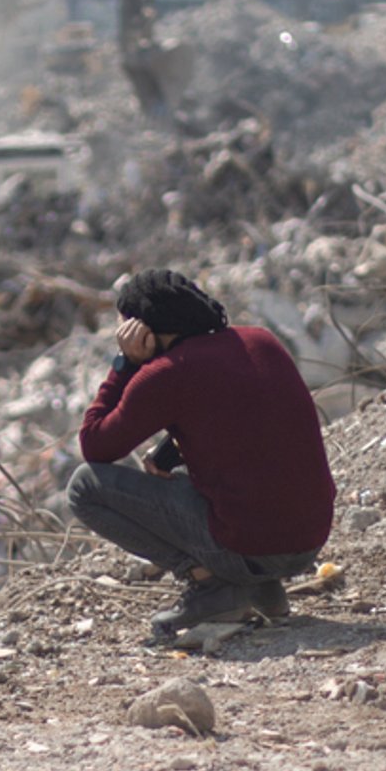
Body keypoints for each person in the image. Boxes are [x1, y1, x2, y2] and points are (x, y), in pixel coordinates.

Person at [70, 269, 335, 636]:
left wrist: (126, 364)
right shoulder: (261, 341)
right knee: (203, 485)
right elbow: (252, 425)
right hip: (308, 539)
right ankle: (261, 589)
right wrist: (172, 451)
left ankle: (213, 587)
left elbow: (95, 445)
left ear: (142, 331)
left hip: (253, 545)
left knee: (85, 487)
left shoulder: (165, 373)